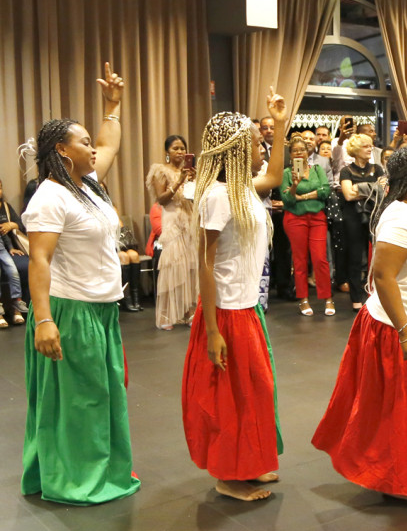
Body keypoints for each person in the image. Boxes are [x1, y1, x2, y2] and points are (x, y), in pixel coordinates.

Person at [312, 117, 407, 501]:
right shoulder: (400, 217)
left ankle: (404, 476)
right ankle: (399, 481)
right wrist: (406, 332)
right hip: (397, 328)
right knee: (402, 413)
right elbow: (382, 276)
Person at [21, 62, 140, 505]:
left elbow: (109, 143)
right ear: (60, 149)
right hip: (70, 311)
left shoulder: (86, 184)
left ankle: (100, 469)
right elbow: (39, 260)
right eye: (83, 141)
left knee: (102, 394)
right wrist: (44, 321)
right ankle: (74, 480)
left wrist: (113, 104)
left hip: (102, 308)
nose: (94, 148)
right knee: (80, 401)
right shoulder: (50, 197)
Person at [182, 89, 287, 502]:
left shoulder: (245, 189)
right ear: (238, 151)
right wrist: (210, 329)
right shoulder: (216, 197)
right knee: (230, 398)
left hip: (247, 308)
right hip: (226, 311)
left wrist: (279, 127)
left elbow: (276, 176)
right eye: (257, 144)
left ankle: (250, 464)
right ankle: (228, 477)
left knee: (255, 391)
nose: (262, 150)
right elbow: (204, 264)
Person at [145, 135, 198, 330]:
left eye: (183, 148)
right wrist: (179, 181)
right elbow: (162, 199)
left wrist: (192, 181)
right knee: (173, 266)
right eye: (175, 148)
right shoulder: (161, 171)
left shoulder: (190, 172)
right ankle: (167, 314)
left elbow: (192, 198)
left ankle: (188, 312)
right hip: (173, 220)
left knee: (190, 268)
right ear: (167, 152)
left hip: (189, 220)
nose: (180, 152)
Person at [280, 136, 334, 316]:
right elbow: (287, 199)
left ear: (307, 152)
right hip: (295, 219)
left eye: (302, 150)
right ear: (290, 154)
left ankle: (328, 298)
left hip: (317, 217)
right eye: (295, 151)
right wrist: (294, 186)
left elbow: (325, 191)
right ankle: (303, 299)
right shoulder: (287, 174)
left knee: (320, 258)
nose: (299, 153)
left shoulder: (317, 169)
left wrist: (303, 196)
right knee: (300, 260)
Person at [339, 133, 386, 310]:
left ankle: (375, 294)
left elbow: (383, 191)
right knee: (355, 258)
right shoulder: (346, 170)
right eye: (366, 146)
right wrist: (371, 189)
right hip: (353, 217)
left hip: (374, 215)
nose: (370, 149)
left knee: (377, 256)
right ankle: (356, 298)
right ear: (356, 150)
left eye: (370, 146)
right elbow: (348, 195)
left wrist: (358, 187)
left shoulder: (378, 168)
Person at [0, 179, 29, 325]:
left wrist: (11, 224)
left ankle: (17, 305)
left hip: (5, 248)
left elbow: (22, 226)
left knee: (16, 270)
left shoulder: (5, 206)